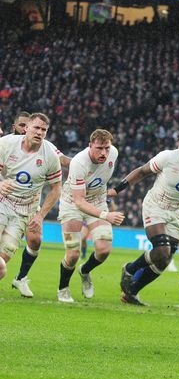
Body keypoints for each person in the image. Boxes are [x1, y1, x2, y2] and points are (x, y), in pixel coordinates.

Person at [112, 128, 179, 305]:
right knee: (161, 249)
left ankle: (132, 292)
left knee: (164, 260)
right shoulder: (168, 157)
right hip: (155, 205)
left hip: (175, 212)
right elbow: (141, 172)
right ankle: (130, 269)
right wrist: (117, 190)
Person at [56, 129, 125, 302]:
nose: (104, 153)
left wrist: (107, 198)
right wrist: (105, 215)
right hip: (72, 203)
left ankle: (85, 271)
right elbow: (79, 201)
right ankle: (63, 288)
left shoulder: (113, 153)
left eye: (106, 148)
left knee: (103, 250)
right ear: (90, 146)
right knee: (72, 254)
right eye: (99, 148)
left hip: (97, 201)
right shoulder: (79, 163)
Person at [0, 113, 62, 296]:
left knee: (2, 264)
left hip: (24, 210)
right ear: (26, 128)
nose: (40, 132)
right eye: (36, 127)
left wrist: (40, 215)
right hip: (2, 201)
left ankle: (20, 278)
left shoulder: (50, 155)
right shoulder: (6, 144)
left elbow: (56, 189)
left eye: (44, 130)